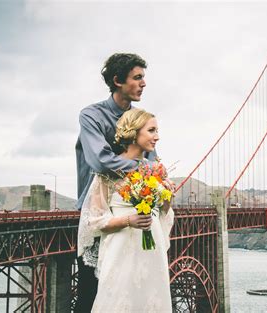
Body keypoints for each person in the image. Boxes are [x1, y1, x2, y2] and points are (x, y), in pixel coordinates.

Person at [75, 53, 156, 312]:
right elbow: (100, 162)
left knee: (131, 291)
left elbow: (154, 165)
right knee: (90, 295)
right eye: (137, 77)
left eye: (144, 77)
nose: (144, 83)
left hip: (134, 215)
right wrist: (143, 169)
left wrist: (154, 176)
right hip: (98, 213)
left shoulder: (141, 120)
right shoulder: (91, 115)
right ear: (117, 80)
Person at [78, 108, 174, 312]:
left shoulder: (154, 169)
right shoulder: (109, 172)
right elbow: (94, 221)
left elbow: (163, 213)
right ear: (134, 132)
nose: (157, 136)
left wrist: (168, 195)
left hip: (151, 248)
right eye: (151, 130)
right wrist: (128, 220)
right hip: (121, 251)